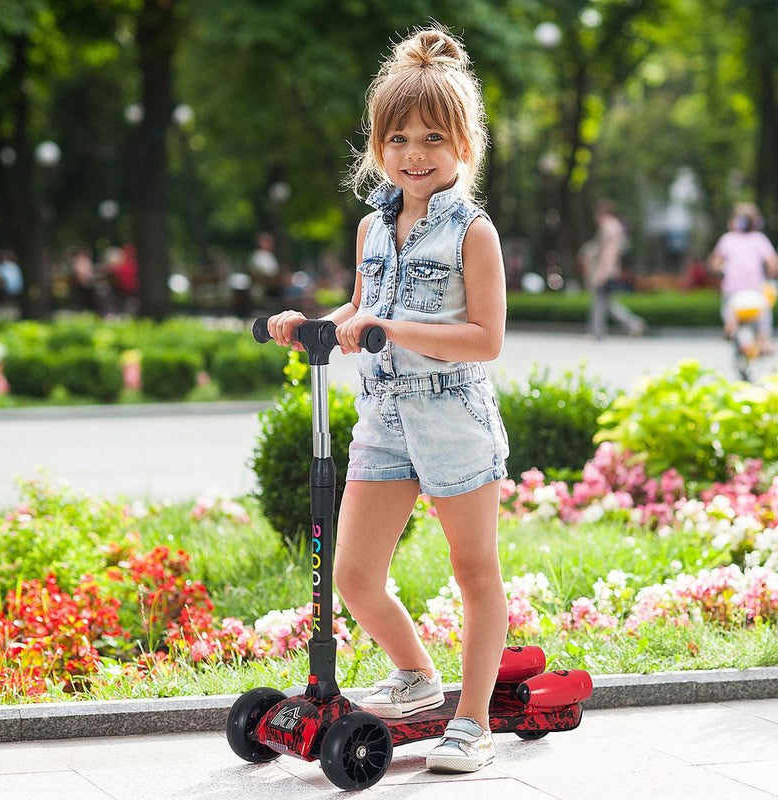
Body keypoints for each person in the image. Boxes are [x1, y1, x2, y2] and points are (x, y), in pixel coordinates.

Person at [266, 26, 509, 774]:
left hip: (453, 419)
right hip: (386, 420)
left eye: (433, 137)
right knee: (354, 577)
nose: (414, 153)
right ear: (377, 146)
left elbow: (485, 338)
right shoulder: (373, 225)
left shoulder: (474, 232)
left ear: (463, 144)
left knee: (474, 572)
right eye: (398, 137)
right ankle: (417, 676)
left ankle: (472, 722)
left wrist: (384, 326)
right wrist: (314, 325)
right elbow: (360, 308)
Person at [708, 202, 778, 353]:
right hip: (753, 288)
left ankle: (731, 330)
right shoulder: (758, 239)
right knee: (763, 315)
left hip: (736, 289)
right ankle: (763, 342)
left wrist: (719, 269)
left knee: (731, 312)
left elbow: (714, 262)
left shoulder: (728, 239)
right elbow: (772, 263)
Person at [582, 200, 645, 339]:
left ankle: (598, 332)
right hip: (612, 270)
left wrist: (603, 272)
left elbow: (609, 252)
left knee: (600, 302)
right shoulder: (616, 226)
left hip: (606, 270)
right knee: (606, 302)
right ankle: (633, 324)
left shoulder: (608, 227)